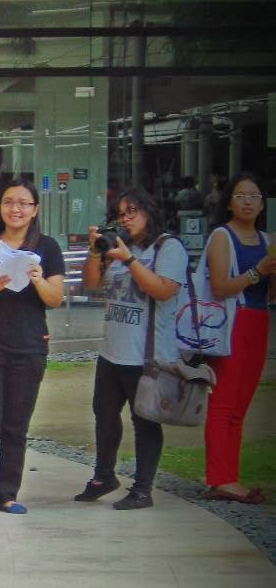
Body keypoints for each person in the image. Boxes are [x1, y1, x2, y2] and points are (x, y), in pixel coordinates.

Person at [76, 186, 188, 512]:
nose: (125, 219)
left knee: (145, 421)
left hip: (146, 355)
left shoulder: (168, 247)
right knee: (104, 416)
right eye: (120, 214)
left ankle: (142, 489)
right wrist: (95, 251)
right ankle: (104, 476)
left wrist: (128, 259)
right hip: (112, 350)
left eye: (132, 212)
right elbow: (91, 284)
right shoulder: (119, 245)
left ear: (149, 211)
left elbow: (163, 290)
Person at [0, 177, 65, 514]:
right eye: (8, 202)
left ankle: (8, 494)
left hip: (29, 347)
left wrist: (37, 279)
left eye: (23, 203)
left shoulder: (48, 248)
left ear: (35, 210)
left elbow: (55, 298)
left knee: (16, 424)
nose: (15, 209)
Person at [202, 172, 275, 503]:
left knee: (241, 403)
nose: (248, 202)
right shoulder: (223, 237)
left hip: (258, 320)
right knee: (224, 401)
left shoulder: (266, 239)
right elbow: (220, 287)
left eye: (254, 196)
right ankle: (220, 478)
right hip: (232, 321)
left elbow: (270, 294)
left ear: (262, 204)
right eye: (241, 196)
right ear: (229, 202)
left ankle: (229, 475)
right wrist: (258, 271)